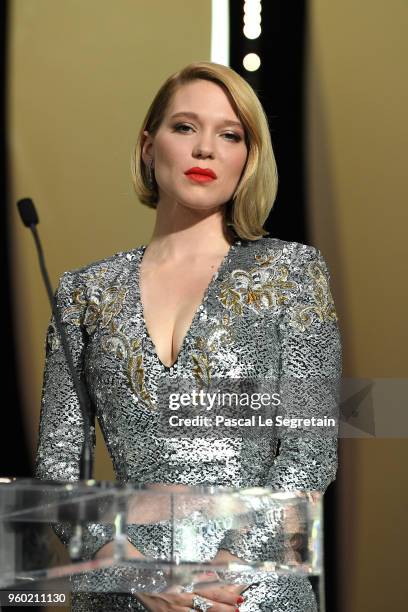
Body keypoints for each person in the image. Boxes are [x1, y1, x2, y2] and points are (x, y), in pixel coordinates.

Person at [34, 61, 342, 611]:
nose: (206, 149)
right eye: (185, 127)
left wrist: (227, 569)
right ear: (149, 148)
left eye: (230, 135)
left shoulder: (291, 273)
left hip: (251, 593)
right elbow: (58, 467)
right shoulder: (85, 292)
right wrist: (131, 569)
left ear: (247, 158)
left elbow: (310, 451)